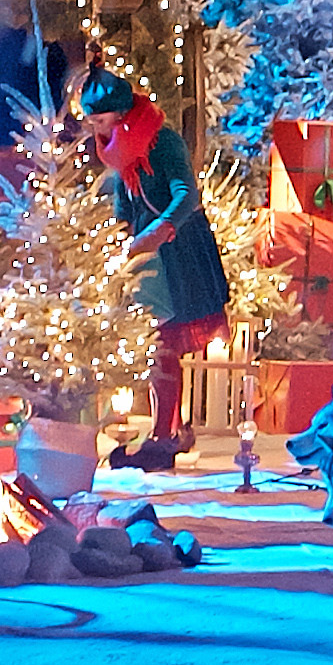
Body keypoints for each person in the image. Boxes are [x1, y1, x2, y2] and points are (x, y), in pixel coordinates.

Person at [84, 70, 231, 470]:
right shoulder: (119, 148)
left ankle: (165, 435)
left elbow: (186, 193)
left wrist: (159, 231)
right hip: (145, 256)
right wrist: (118, 235)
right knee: (155, 345)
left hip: (176, 253)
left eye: (100, 120)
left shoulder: (162, 140)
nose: (96, 129)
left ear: (120, 115)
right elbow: (124, 199)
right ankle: (169, 429)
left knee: (163, 342)